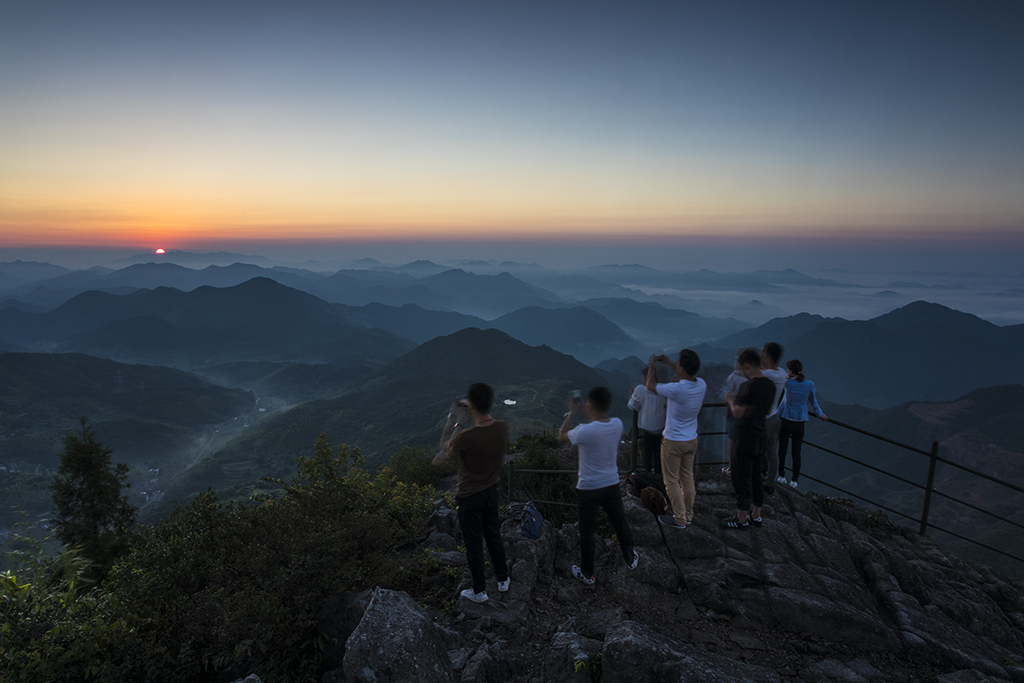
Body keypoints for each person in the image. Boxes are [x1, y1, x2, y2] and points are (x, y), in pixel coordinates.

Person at [432, 383, 510, 603]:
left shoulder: (466, 437)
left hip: (469, 495)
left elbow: (444, 448)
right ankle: (503, 578)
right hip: (491, 490)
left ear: (471, 406)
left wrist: (454, 418)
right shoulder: (502, 427)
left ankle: (479, 591)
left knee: (474, 542)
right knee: (493, 534)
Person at [559, 386, 638, 584]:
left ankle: (588, 573)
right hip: (611, 484)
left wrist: (572, 413)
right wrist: (586, 410)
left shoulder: (583, 431)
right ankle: (630, 558)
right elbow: (598, 421)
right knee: (619, 522)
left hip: (588, 488)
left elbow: (562, 436)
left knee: (587, 532)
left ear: (591, 404)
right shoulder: (617, 424)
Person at [646, 350, 706, 529]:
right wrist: (671, 363)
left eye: (678, 364)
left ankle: (679, 518)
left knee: (671, 480)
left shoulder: (676, 389)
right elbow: (686, 373)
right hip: (691, 439)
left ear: (682, 368)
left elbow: (650, 386)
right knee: (687, 477)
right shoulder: (701, 384)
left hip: (673, 441)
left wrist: (652, 367)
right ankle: (688, 515)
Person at [723, 349, 776, 528]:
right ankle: (757, 514)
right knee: (756, 476)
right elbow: (766, 410)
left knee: (741, 476)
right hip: (761, 435)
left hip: (745, 436)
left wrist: (730, 400)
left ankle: (741, 518)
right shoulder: (770, 385)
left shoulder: (748, 386)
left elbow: (739, 413)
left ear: (746, 365)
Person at [776, 360, 828, 489]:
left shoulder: (787, 383)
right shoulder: (809, 384)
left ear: (790, 371)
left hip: (785, 420)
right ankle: (794, 481)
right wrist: (821, 415)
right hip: (800, 422)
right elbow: (814, 403)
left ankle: (781, 476)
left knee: (782, 450)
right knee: (796, 452)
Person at [628, 366, 667, 473]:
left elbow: (632, 406)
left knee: (647, 453)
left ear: (646, 377)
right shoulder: (662, 390)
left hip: (647, 427)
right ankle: (658, 475)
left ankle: (648, 475)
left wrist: (631, 398)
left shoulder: (641, 389)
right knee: (658, 451)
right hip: (660, 426)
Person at [760, 342, 787, 492]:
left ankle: (757, 479)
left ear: (768, 357)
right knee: (772, 452)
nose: (761, 357)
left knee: (756, 450)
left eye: (763, 354)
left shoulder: (766, 375)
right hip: (775, 417)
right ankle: (769, 483)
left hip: (763, 419)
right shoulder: (782, 373)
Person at [719, 349, 751, 474]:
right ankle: (743, 467)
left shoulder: (733, 376)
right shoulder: (750, 377)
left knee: (732, 440)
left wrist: (730, 398)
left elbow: (725, 392)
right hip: (748, 413)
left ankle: (732, 467)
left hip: (735, 411)